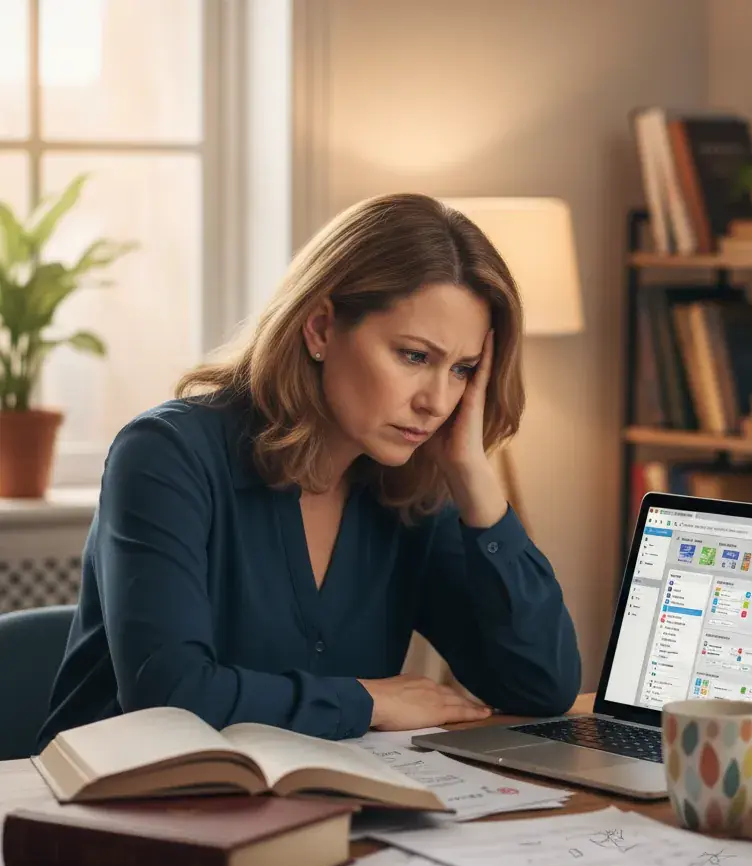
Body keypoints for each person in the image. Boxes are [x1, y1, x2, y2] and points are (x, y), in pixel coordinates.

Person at [36, 193, 582, 750]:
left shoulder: (412, 490)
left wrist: (474, 480)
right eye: (414, 356)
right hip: (114, 812)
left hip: (312, 810)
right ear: (321, 327)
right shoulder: (165, 454)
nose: (437, 401)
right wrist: (371, 700)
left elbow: (541, 687)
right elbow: (170, 696)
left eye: (462, 369)